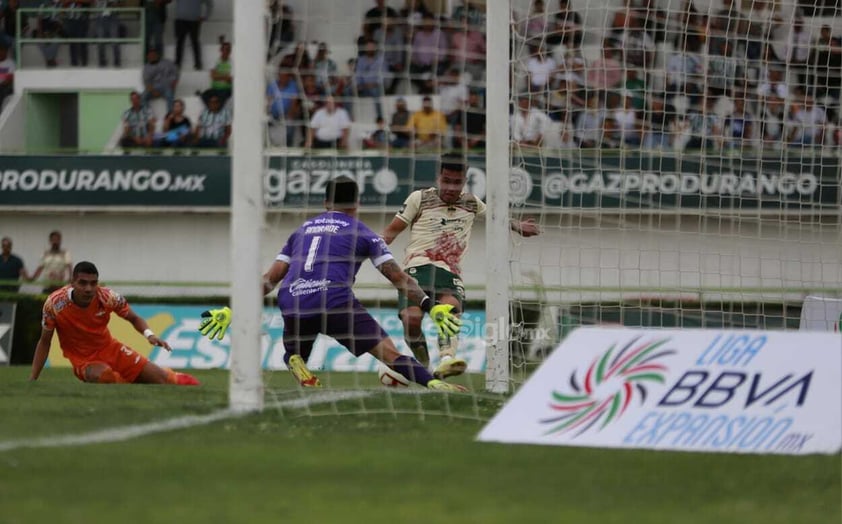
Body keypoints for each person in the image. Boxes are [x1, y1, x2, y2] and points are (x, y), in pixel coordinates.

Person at [198, 177, 466, 392]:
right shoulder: (364, 232)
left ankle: (294, 356)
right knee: (389, 354)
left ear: (326, 202)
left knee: (299, 340)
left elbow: (270, 279)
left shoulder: (301, 231)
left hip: (291, 299)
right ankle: (434, 383)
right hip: (334, 299)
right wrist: (430, 306)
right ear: (357, 203)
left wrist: (232, 309)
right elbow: (399, 278)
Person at [381, 154, 540, 379]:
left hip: (449, 273)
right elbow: (391, 231)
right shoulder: (420, 198)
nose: (451, 187)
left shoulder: (471, 203)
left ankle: (447, 359)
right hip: (416, 269)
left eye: (456, 182)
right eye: (446, 181)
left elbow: (496, 217)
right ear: (439, 178)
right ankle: (424, 364)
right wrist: (371, 249)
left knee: (451, 309)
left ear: (464, 181)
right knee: (411, 319)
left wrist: (517, 225)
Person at [29, 261, 200, 385]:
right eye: (83, 283)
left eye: (93, 283)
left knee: (164, 380)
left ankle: (168, 375)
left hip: (112, 350)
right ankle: (129, 383)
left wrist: (150, 335)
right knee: (105, 376)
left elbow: (134, 318)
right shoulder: (55, 304)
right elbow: (45, 341)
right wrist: (33, 379)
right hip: (83, 361)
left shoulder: (108, 297)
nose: (88, 288)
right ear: (72, 283)